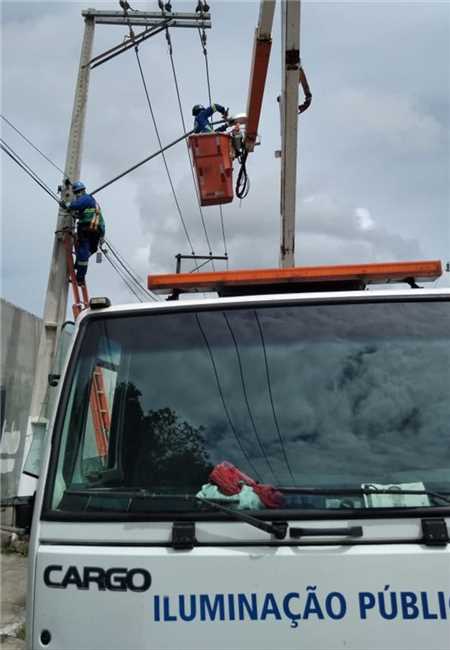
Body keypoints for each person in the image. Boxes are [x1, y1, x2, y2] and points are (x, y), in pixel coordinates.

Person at [61, 181, 105, 285]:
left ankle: (80, 277)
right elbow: (101, 222)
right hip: (96, 232)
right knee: (90, 250)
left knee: (83, 253)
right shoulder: (94, 205)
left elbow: (75, 205)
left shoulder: (86, 198)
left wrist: (66, 205)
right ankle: (79, 265)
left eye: (77, 193)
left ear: (79, 191)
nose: (77, 195)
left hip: (86, 230)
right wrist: (102, 236)